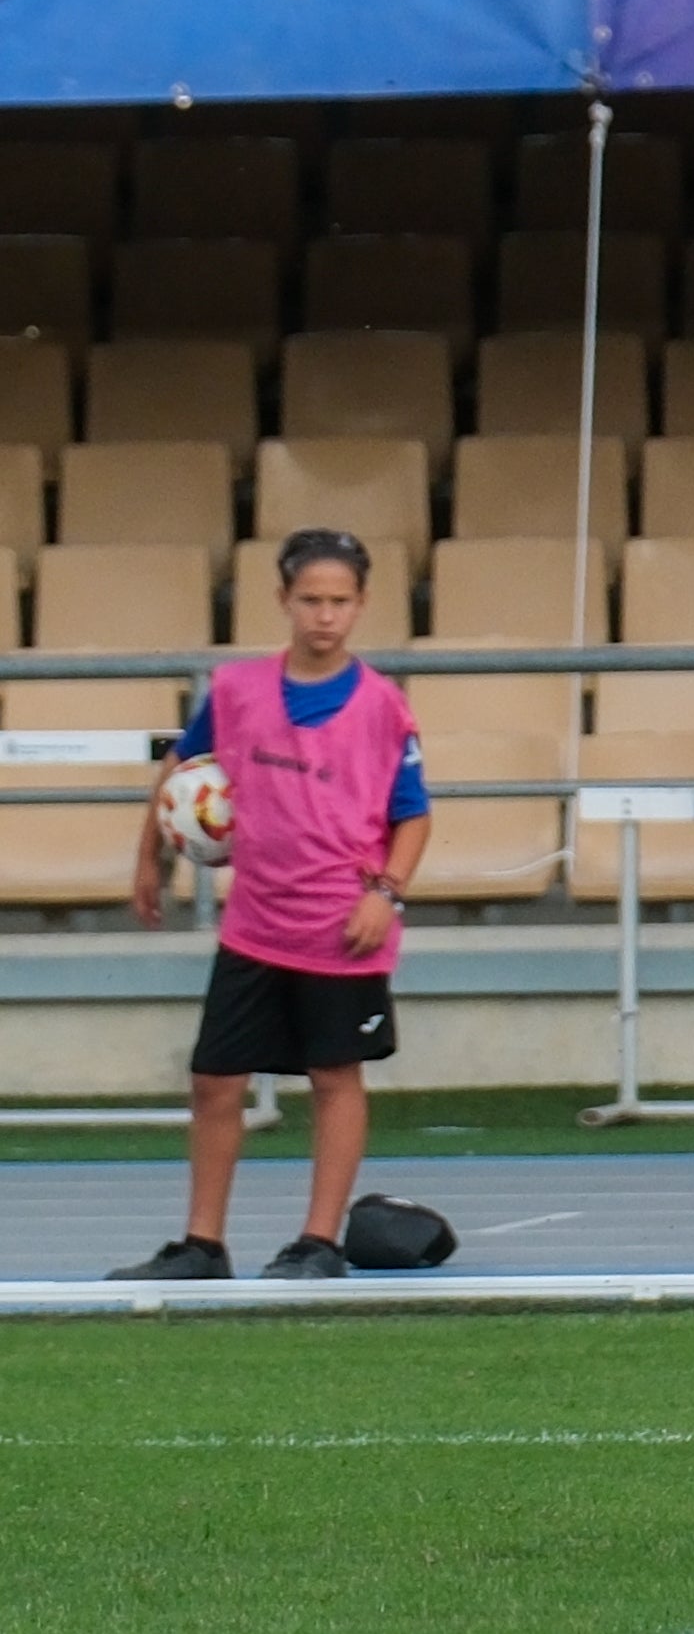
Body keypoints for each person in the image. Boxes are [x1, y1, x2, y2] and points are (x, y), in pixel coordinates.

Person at [109, 528, 430, 1284]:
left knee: (333, 1078)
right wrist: (148, 857)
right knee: (215, 1079)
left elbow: (413, 814)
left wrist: (385, 893)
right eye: (310, 599)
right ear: (284, 600)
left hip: (340, 926)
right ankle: (202, 1243)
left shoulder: (383, 707)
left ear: (362, 604)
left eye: (339, 601)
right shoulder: (237, 691)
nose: (325, 615)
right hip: (255, 923)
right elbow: (180, 769)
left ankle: (318, 1241)